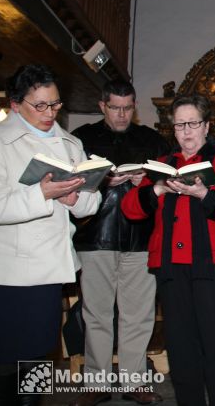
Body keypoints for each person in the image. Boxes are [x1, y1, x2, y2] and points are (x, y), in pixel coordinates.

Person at [121, 94, 215, 405]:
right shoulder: (163, 165)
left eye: (193, 123)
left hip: (213, 268)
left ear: (207, 126)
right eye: (179, 125)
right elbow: (130, 210)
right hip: (171, 268)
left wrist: (204, 194)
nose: (186, 131)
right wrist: (157, 188)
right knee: (181, 351)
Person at [0, 64, 101, 405]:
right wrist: (42, 194)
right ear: (15, 104)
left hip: (50, 267)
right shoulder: (2, 142)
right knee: (10, 358)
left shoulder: (71, 142)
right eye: (39, 105)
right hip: (12, 270)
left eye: (55, 104)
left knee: (40, 355)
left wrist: (76, 197)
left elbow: (89, 202)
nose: (50, 113)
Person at [69, 80, 169, 406]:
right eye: (115, 108)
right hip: (96, 234)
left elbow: (169, 182)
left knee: (138, 314)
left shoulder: (151, 140)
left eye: (128, 107)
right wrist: (102, 181)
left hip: (141, 236)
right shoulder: (82, 138)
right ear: (102, 106)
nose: (122, 114)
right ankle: (96, 382)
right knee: (97, 313)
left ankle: (134, 380)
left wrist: (150, 180)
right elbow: (70, 184)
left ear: (135, 106)